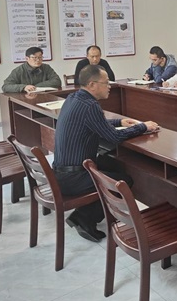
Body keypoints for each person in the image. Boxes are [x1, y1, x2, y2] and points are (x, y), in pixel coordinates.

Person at [53, 64, 159, 242]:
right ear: (92, 84)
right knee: (123, 181)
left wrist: (120, 121)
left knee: (113, 164)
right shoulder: (90, 106)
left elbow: (94, 123)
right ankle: (84, 218)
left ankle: (84, 214)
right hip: (73, 178)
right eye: (106, 82)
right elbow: (114, 137)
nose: (109, 86)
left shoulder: (74, 98)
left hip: (62, 171)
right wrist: (143, 127)